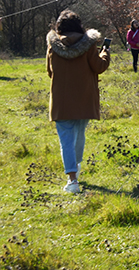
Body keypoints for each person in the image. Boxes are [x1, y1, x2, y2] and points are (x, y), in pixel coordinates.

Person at [46, 10, 111, 194]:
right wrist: (105, 53)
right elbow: (99, 67)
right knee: (79, 135)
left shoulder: (52, 45)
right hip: (84, 97)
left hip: (61, 100)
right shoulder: (89, 44)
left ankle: (72, 179)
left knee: (66, 140)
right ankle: (76, 168)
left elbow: (50, 72)